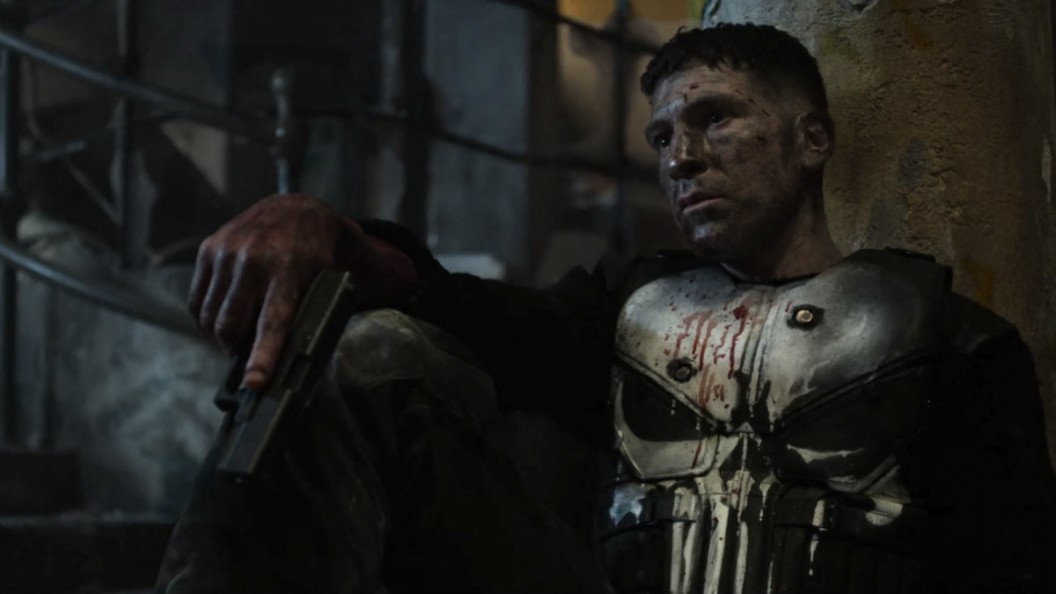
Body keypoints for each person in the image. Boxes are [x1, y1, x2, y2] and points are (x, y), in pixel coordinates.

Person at [156, 24, 1056, 594]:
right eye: (662, 136)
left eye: (715, 119)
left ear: (811, 139)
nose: (680, 157)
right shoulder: (628, 307)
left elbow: (1009, 564)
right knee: (372, 350)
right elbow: (459, 311)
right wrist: (332, 233)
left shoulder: (944, 336)